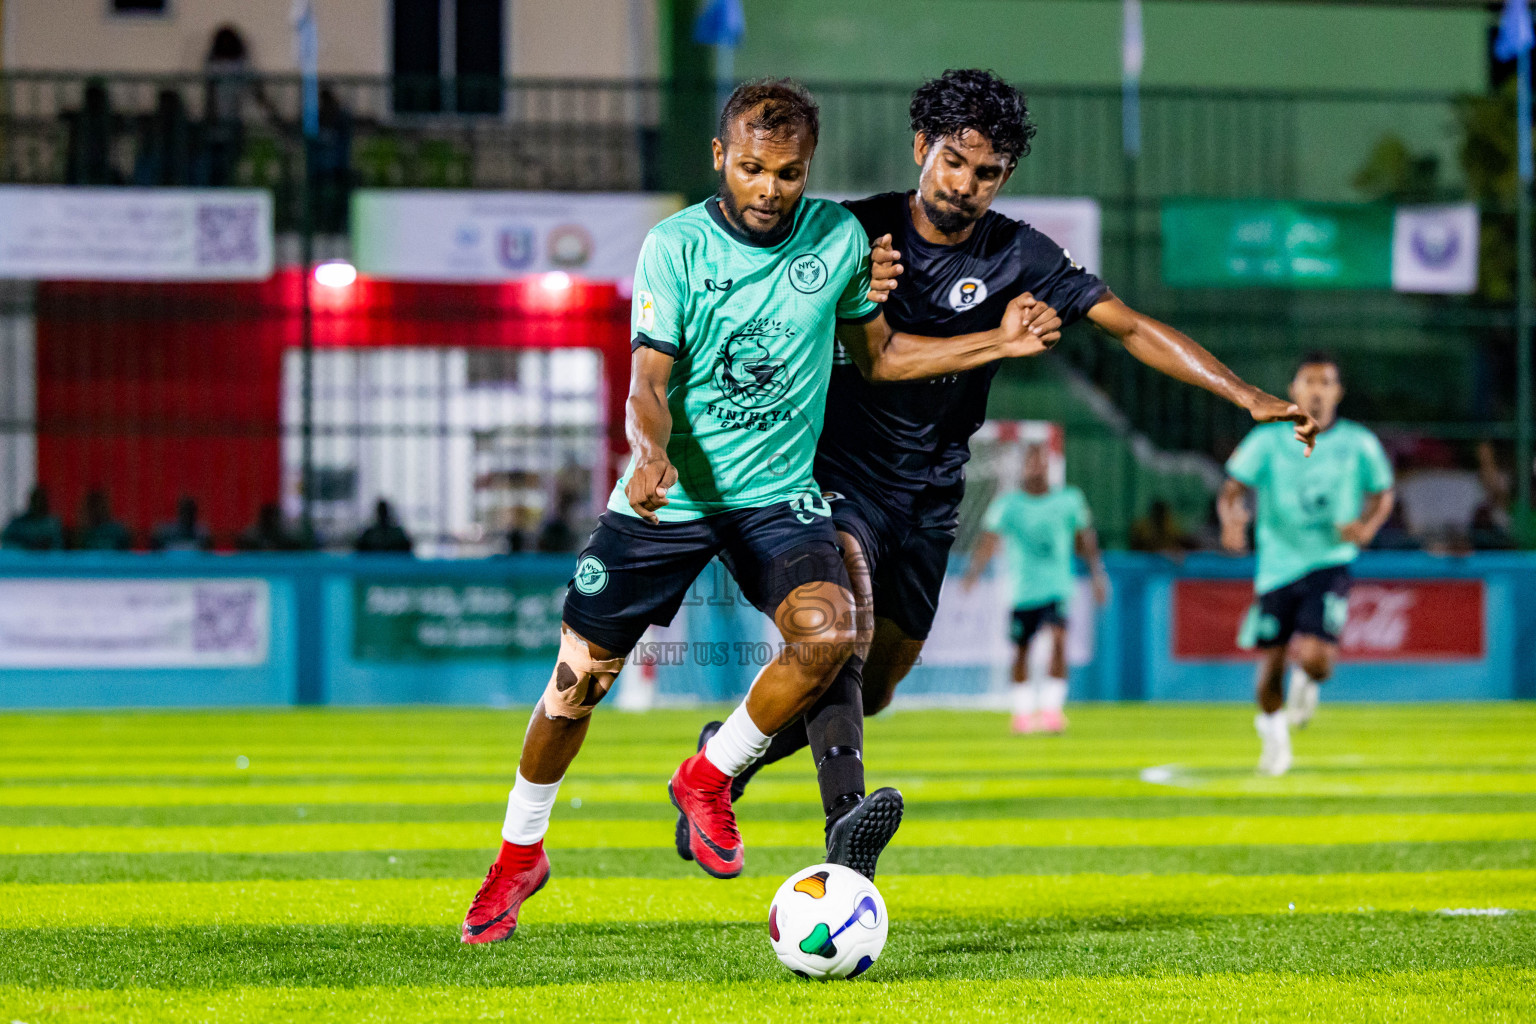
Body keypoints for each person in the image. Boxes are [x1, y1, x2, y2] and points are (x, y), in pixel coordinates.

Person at [460, 78, 1063, 945]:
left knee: (828, 637)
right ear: (720, 158)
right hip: (668, 500)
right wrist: (652, 448)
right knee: (574, 689)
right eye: (751, 168)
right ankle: (520, 855)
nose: (769, 188)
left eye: (788, 172)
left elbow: (882, 358)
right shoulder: (674, 247)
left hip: (777, 498)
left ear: (807, 170)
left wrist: (995, 341)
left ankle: (710, 774)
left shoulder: (841, 239)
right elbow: (648, 383)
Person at [704, 69, 1318, 836]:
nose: (965, 184)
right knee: (844, 633)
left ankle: (721, 762)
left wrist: (1246, 395)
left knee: (879, 685)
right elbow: (757, 276)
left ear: (1006, 176)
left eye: (986, 172)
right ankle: (846, 826)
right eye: (954, 161)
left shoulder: (1019, 255)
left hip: (930, 494)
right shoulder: (852, 232)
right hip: (835, 478)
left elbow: (1127, 326)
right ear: (922, 148)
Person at [1217, 352, 1395, 776]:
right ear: (1294, 389)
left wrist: (1367, 528)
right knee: (1272, 660)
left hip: (1329, 560)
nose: (1317, 390)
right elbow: (1231, 491)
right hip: (1277, 565)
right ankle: (1275, 739)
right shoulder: (1268, 440)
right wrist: (1230, 523)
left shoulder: (1359, 443)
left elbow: (1383, 492)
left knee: (1317, 661)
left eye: (1326, 382)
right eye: (1309, 381)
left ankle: (1307, 682)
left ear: (1338, 392)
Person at [962, 443, 1107, 734]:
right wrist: (974, 572)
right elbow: (989, 538)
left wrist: (1097, 575)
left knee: (1059, 641)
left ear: (1050, 466)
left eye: (1041, 462)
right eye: (1031, 462)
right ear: (1023, 467)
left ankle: (1052, 711)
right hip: (1023, 590)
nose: (1036, 467)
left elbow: (1085, 538)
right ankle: (1024, 712)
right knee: (1022, 651)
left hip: (1057, 586)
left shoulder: (1069, 500)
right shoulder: (1009, 504)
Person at [1, 486, 65, 551]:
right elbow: (8, 543)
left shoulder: (52, 525)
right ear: (31, 501)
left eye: (41, 501)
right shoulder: (18, 524)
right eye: (36, 501)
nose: (38, 504)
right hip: (23, 559)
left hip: (45, 559)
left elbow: (57, 548)